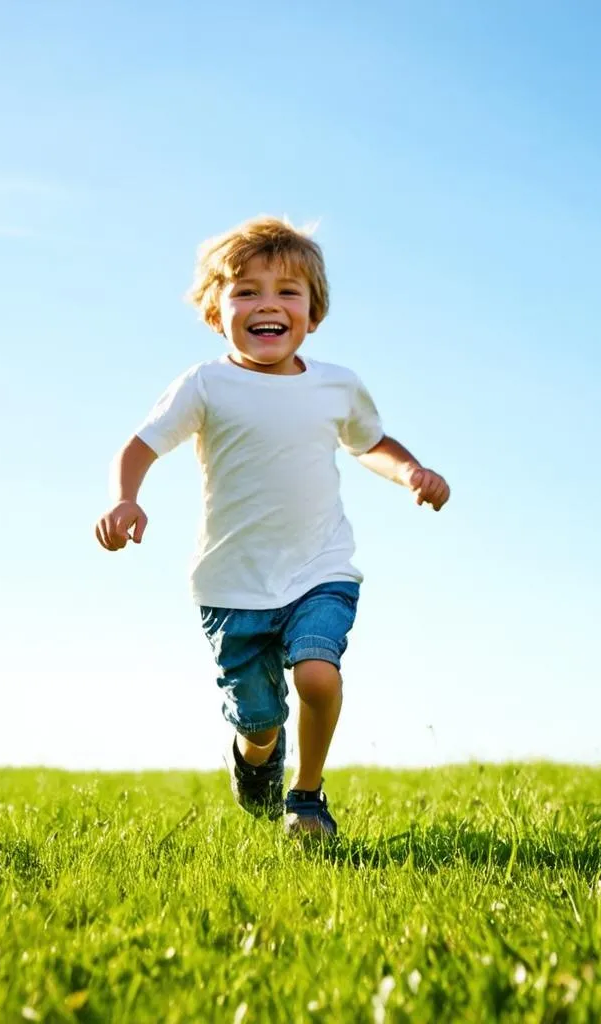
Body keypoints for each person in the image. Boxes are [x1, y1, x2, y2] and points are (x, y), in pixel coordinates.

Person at [95, 216, 450, 838]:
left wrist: (411, 471)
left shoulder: (337, 385)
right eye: (247, 291)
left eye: (288, 292)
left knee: (318, 672)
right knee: (258, 724)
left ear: (313, 314)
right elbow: (140, 445)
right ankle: (257, 755)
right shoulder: (206, 383)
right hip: (231, 587)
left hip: (321, 568)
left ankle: (307, 796)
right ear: (217, 311)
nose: (268, 304)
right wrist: (125, 500)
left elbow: (371, 443)